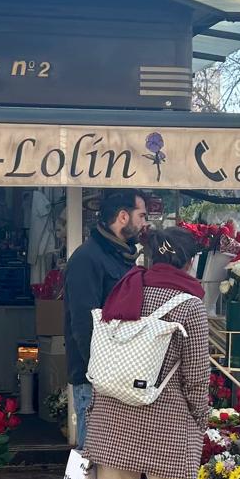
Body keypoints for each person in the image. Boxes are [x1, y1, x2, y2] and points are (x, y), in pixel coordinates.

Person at [83, 226, 209, 479]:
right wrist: (200, 421)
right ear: (189, 262)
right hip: (166, 424)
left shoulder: (124, 290)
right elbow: (197, 377)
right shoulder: (190, 306)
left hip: (110, 416)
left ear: (151, 258)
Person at [65, 190, 149, 447]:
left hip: (118, 377)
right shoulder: (87, 258)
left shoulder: (123, 255)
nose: (145, 223)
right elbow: (83, 323)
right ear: (123, 216)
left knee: (112, 461)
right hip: (97, 380)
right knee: (91, 459)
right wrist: (100, 374)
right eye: (142, 215)